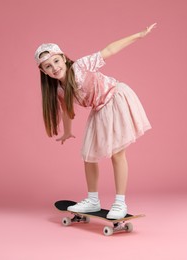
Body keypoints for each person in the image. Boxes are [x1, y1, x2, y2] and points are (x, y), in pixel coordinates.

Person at [35, 23, 156, 219]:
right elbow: (67, 111)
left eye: (56, 61)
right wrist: (67, 131)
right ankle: (93, 200)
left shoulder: (81, 66)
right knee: (89, 156)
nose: (54, 68)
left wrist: (139, 35)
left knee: (117, 154)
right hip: (99, 109)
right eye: (48, 66)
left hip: (114, 98)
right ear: (44, 72)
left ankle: (120, 203)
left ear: (64, 59)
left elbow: (109, 50)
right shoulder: (59, 90)